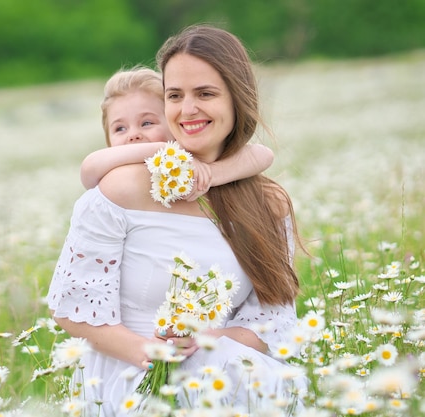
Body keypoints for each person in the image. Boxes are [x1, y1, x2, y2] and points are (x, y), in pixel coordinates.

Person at [47, 25, 306, 416]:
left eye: (205, 94)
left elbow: (275, 319)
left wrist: (208, 341)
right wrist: (153, 354)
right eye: (174, 96)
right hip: (128, 377)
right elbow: (73, 308)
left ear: (238, 99)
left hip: (224, 371)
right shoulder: (121, 189)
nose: (188, 110)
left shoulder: (267, 204)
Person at [80, 66, 275, 201]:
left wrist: (211, 175)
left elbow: (263, 155)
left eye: (147, 123)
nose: (133, 135)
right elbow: (88, 169)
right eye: (119, 128)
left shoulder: (190, 165)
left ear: (174, 125)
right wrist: (163, 150)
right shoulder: (114, 175)